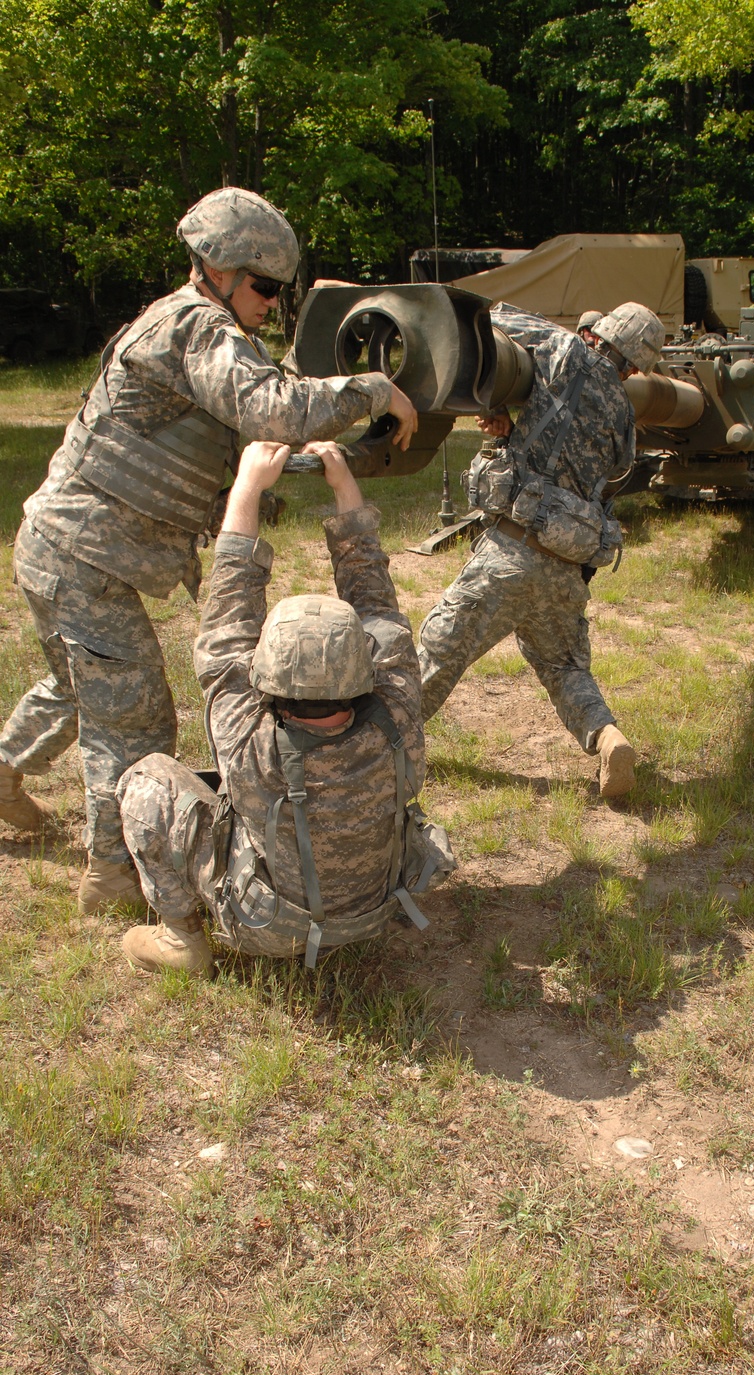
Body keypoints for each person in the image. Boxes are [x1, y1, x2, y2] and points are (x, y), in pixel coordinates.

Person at [0, 187, 418, 916]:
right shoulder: (196, 324)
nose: (271, 302)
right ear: (218, 269)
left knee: (84, 683)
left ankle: (3, 771)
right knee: (133, 721)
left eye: (280, 291)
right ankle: (112, 875)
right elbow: (273, 409)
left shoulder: (206, 330)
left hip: (65, 545)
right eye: (263, 287)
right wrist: (376, 388)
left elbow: (255, 419)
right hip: (86, 556)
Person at [116, 439, 451, 977]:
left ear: (264, 677)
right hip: (377, 909)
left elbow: (229, 615)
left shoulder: (246, 736)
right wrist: (342, 481)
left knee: (145, 782)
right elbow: (376, 601)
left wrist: (247, 484)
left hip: (269, 926)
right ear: (364, 667)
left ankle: (181, 938)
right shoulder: (397, 712)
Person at [418, 300, 666, 801]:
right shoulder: (624, 416)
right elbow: (593, 473)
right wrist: (516, 432)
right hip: (567, 567)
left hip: (511, 552)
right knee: (565, 669)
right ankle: (606, 737)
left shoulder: (562, 349)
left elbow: (487, 317)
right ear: (635, 365)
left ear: (602, 333)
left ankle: (374, 746)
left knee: (438, 654)